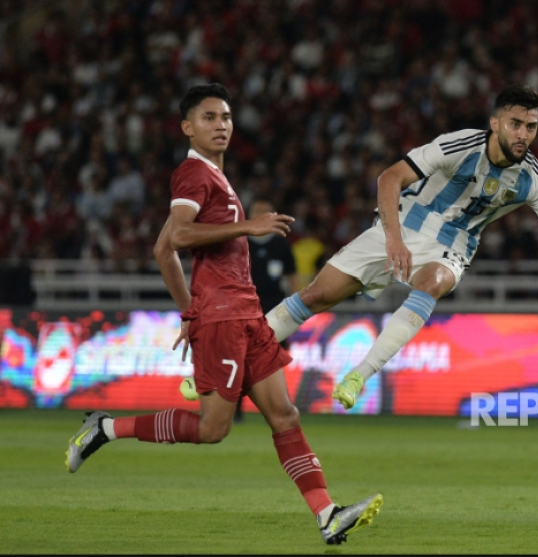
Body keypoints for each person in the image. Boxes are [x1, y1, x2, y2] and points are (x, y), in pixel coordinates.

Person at [65, 83, 382, 546]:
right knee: (214, 429)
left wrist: (187, 310)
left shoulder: (214, 176)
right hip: (225, 319)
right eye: (210, 117)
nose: (221, 125)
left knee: (285, 415)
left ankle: (327, 514)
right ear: (187, 127)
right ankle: (105, 428)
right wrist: (248, 227)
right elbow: (177, 237)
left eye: (227, 117)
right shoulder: (193, 174)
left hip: (244, 316)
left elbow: (161, 248)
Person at [264, 84, 538, 410]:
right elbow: (390, 177)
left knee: (433, 282)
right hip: (402, 225)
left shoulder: (535, 180)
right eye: (515, 124)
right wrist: (393, 238)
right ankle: (224, 364)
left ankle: (359, 375)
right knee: (315, 296)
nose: (523, 134)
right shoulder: (459, 145)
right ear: (495, 123)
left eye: (531, 127)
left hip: (453, 245)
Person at [235, 196, 298, 423]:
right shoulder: (239, 242)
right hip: (243, 312)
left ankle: (279, 408)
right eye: (257, 211)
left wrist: (295, 311)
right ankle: (237, 409)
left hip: (275, 314)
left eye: (266, 211)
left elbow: (292, 278)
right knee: (241, 360)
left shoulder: (282, 244)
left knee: (273, 360)